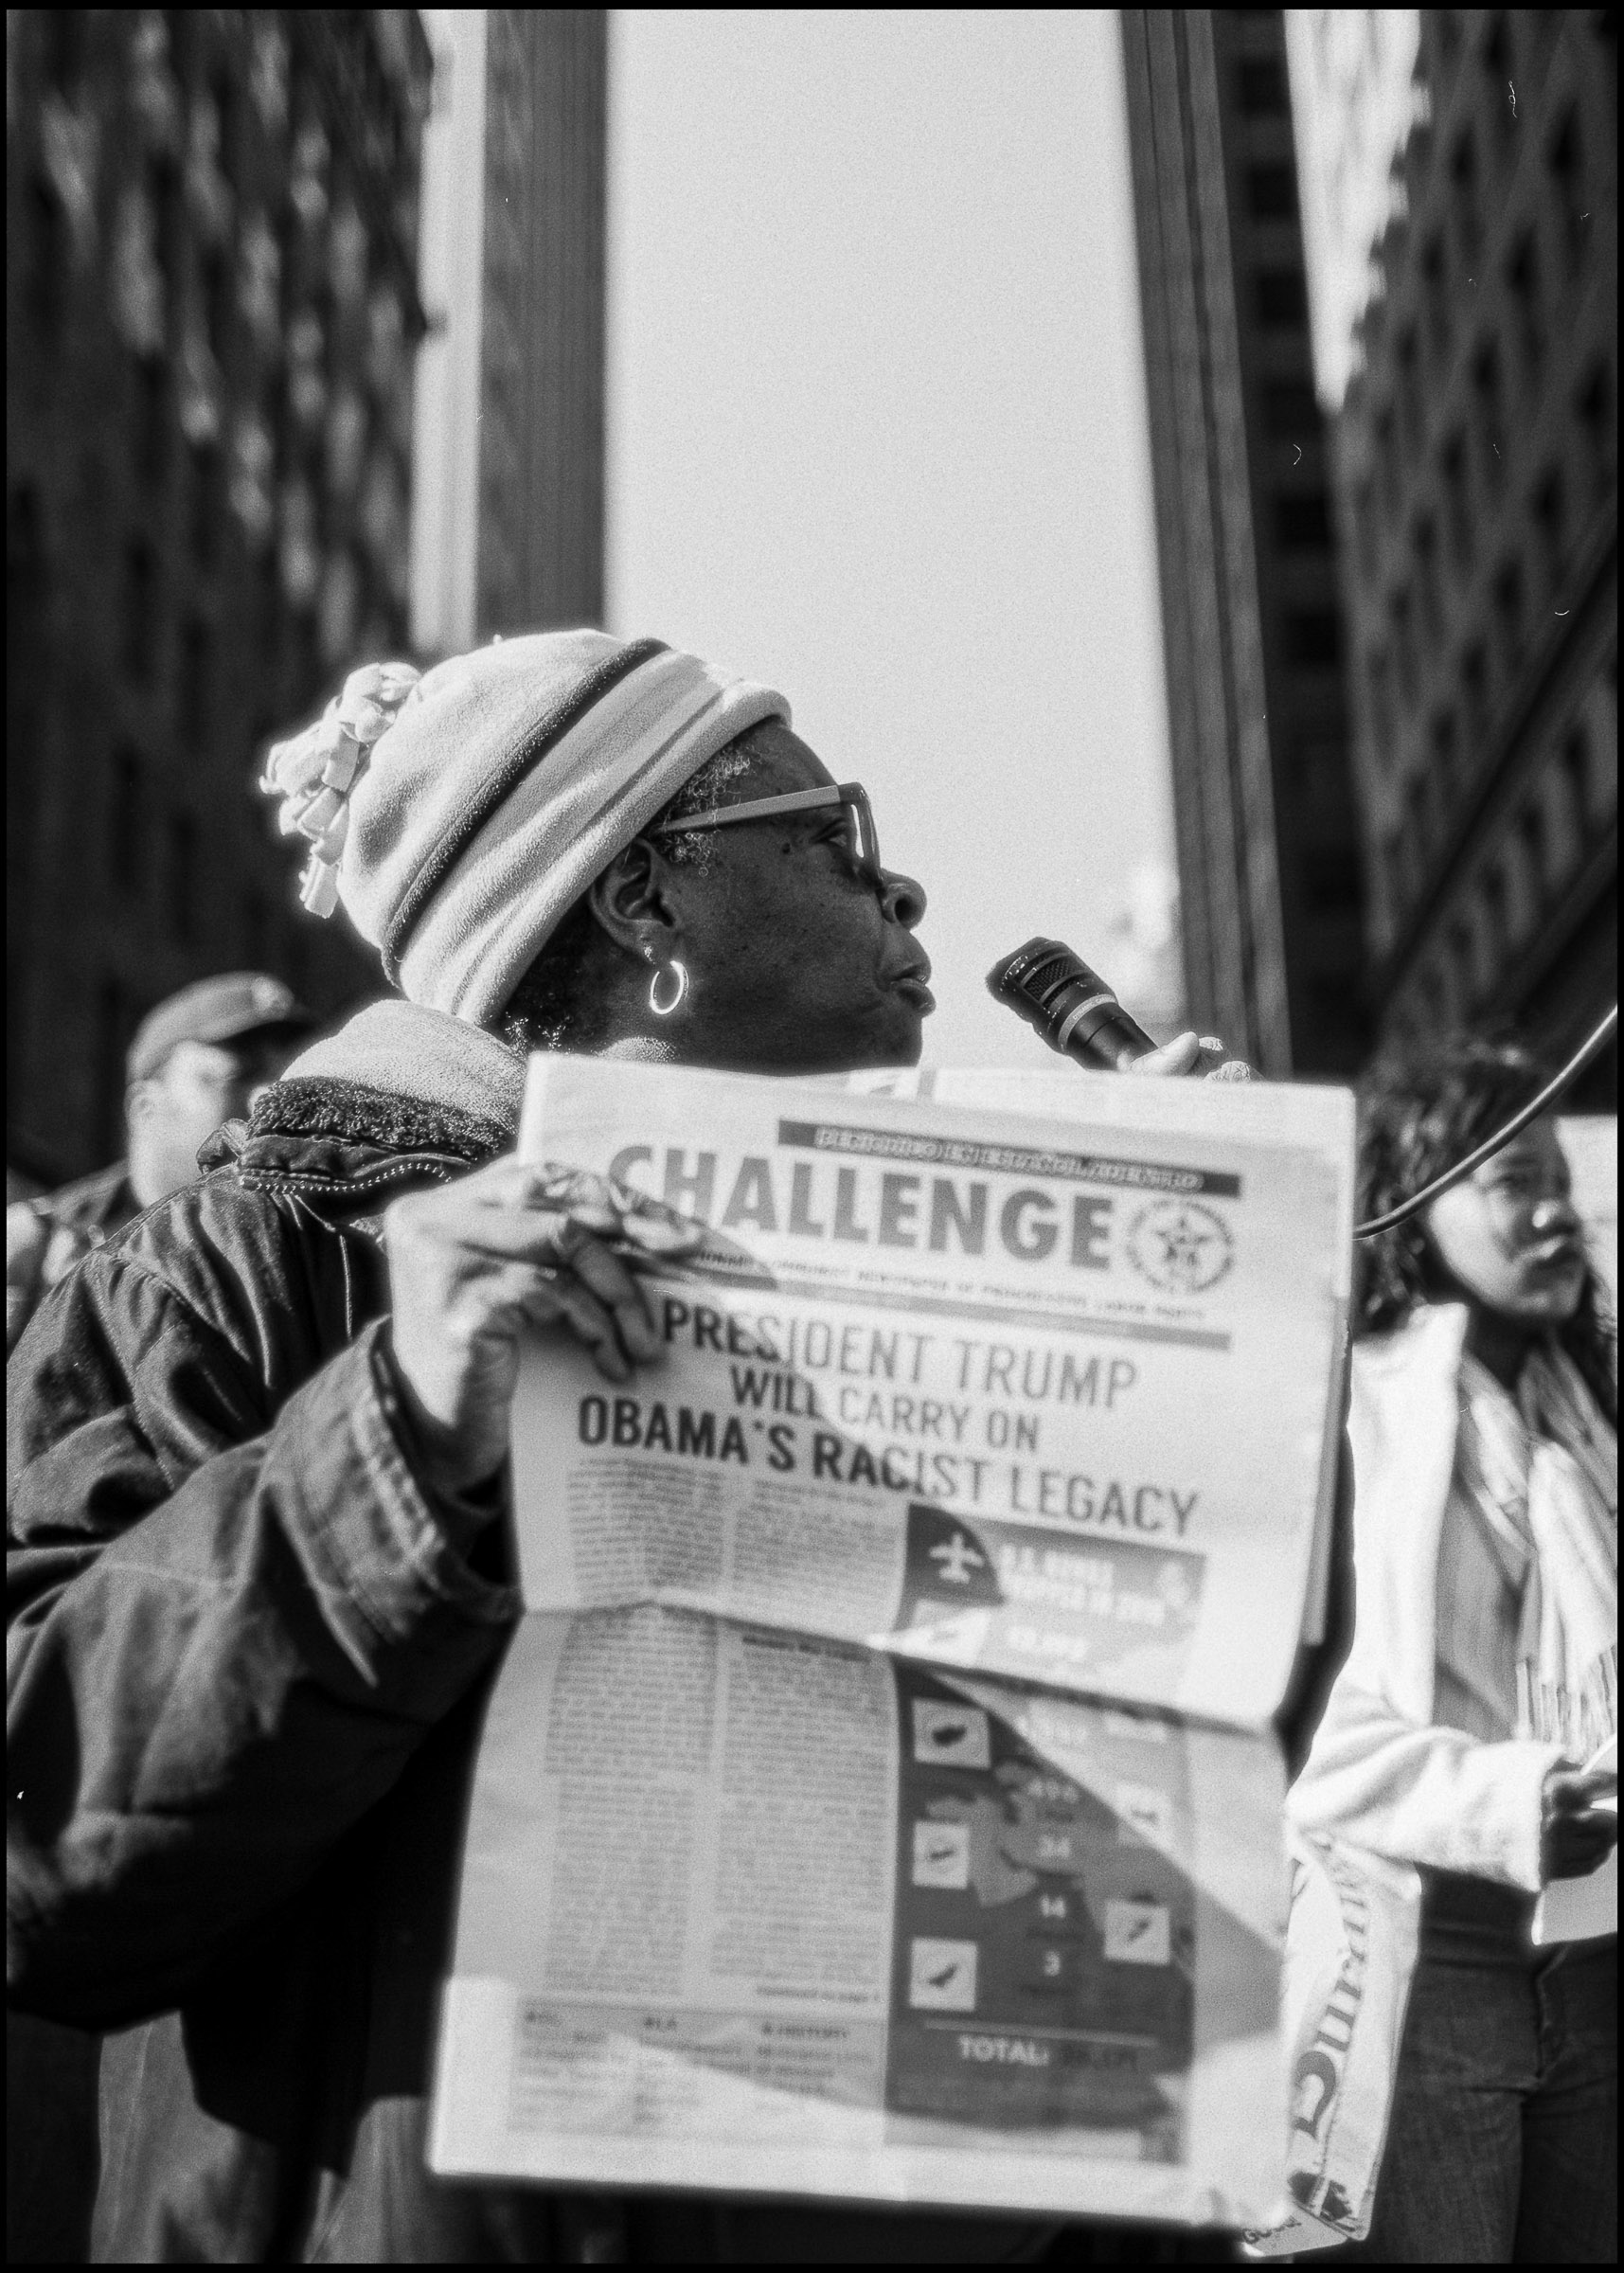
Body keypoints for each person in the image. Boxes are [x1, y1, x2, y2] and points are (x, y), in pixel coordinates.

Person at [9, 630, 1252, 2264]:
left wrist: (1227, 1349)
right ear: (643, 902)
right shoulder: (239, 1276)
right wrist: (393, 1434)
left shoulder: (951, 1290)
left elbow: (1219, 1746)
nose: (907, 901)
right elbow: (43, 1846)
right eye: (835, 839)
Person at [1288, 1034, 1616, 2264]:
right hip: (1423, 1972)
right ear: (1413, 1205)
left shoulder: (1586, 1410)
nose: (1550, 1220)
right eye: (1511, 1183)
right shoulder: (1341, 1415)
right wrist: (1516, 1800)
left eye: (1559, 1188)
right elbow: (1305, 1742)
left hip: (1598, 1966)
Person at [6, 970, 312, 2266]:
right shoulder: (46, 1253)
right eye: (225, 1076)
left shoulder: (292, 1247)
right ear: (145, 1098)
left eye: (276, 1076)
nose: (259, 1102)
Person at [6, 972, 314, 1353]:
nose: (270, 1099)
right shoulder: (33, 1254)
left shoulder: (319, 1252)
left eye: (285, 1079)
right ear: (145, 1109)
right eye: (240, 1075)